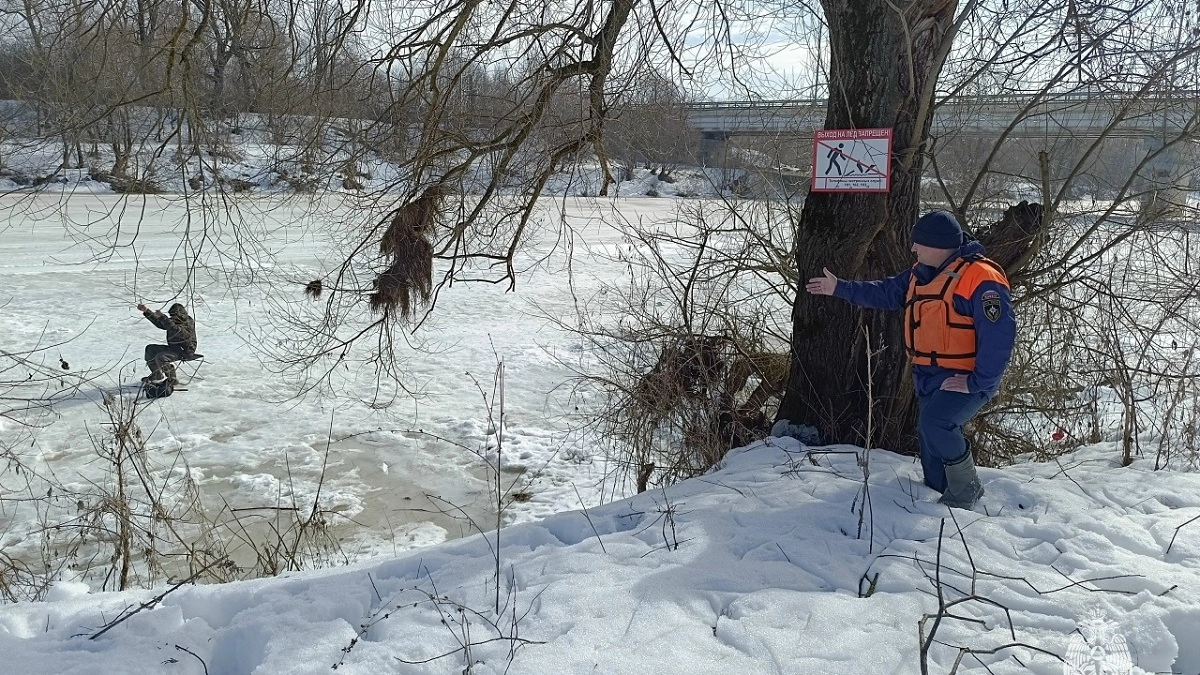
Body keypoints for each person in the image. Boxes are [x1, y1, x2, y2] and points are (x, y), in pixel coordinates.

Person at [804, 211, 1016, 508]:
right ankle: (936, 494)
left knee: (937, 423)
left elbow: (999, 337)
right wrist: (839, 287)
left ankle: (967, 491)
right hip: (929, 375)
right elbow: (886, 293)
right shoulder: (921, 273)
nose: (913, 249)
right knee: (929, 441)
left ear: (938, 245)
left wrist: (978, 381)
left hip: (968, 376)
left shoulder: (981, 279)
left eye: (918, 244)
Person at [137, 302, 197, 385]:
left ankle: (172, 377)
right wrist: (146, 311)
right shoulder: (173, 321)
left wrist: (163, 317)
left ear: (181, 315)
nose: (172, 318)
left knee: (161, 357)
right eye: (171, 316)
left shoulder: (188, 322)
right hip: (173, 348)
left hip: (185, 351)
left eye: (174, 316)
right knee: (150, 349)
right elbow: (161, 323)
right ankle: (157, 374)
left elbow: (177, 330)